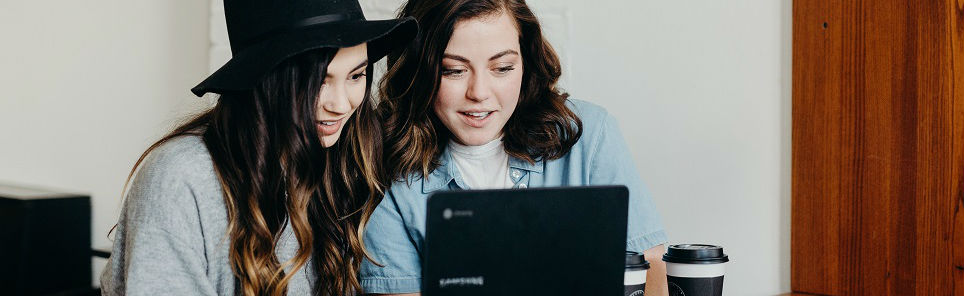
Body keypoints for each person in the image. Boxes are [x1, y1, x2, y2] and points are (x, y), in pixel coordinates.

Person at [100, 0, 416, 295]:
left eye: (356, 75)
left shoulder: (342, 161)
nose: (342, 104)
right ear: (266, 77)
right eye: (319, 80)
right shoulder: (182, 177)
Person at [360, 0, 669, 295]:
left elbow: (649, 270)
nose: (479, 93)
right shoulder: (384, 166)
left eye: (503, 68)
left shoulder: (589, 134)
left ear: (526, 62)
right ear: (419, 71)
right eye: (454, 70)